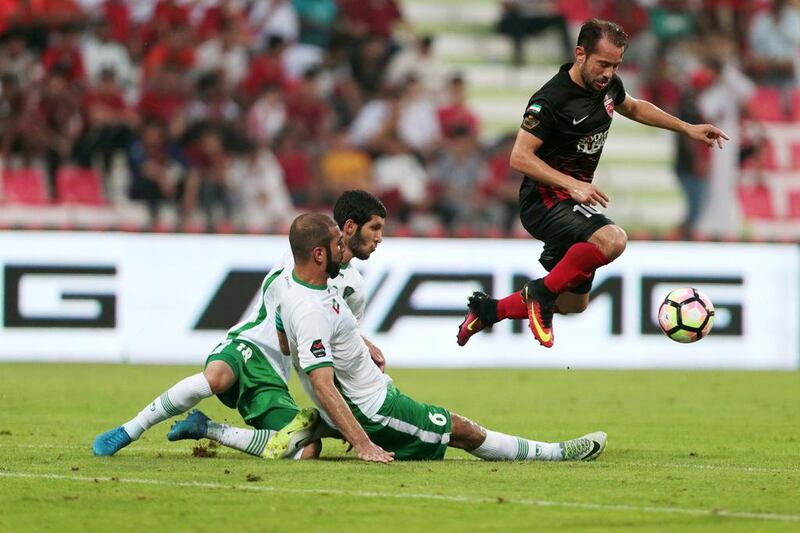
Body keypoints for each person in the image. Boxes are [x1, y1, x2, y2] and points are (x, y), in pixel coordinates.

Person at [456, 18, 729, 349]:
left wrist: (687, 128)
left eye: (615, 65)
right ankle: (538, 297)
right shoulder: (550, 99)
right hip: (544, 201)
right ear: (580, 54)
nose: (608, 73)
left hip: (573, 201)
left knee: (573, 305)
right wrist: (571, 184)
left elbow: (635, 107)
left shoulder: (607, 85)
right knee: (613, 239)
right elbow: (519, 157)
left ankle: (488, 311)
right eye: (603, 64)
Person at [267, 213, 606, 463]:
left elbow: (287, 341)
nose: (344, 248)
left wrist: (357, 346)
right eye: (337, 244)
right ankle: (554, 454)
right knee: (462, 431)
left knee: (452, 425)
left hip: (373, 393)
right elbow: (323, 384)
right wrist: (363, 443)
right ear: (318, 254)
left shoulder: (293, 284)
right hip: (375, 409)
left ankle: (320, 426)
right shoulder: (310, 309)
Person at [92, 190, 387, 458]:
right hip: (252, 342)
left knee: (307, 450)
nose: (379, 238)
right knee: (218, 376)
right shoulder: (305, 252)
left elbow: (339, 342)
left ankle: (209, 429)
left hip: (276, 372)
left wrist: (363, 347)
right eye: (374, 228)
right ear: (348, 228)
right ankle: (130, 429)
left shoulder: (355, 289)